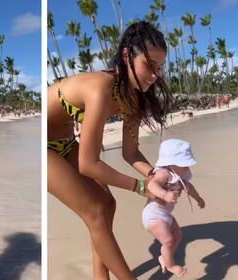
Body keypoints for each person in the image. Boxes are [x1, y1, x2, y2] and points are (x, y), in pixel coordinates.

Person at [48, 21, 174, 280]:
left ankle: (100, 277)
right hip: (43, 145)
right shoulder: (101, 89)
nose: (155, 75)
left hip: (66, 143)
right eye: (149, 65)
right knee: (95, 210)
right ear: (127, 56)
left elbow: (131, 153)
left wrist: (157, 175)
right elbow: (89, 164)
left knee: (107, 204)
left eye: (159, 67)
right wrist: (141, 187)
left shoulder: (134, 97)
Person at [142, 139, 205, 277]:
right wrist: (165, 194)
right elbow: (152, 185)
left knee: (177, 235)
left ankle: (164, 257)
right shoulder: (164, 173)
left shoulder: (180, 175)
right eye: (184, 164)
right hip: (153, 214)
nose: (187, 168)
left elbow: (189, 188)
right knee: (168, 240)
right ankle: (170, 265)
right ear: (170, 162)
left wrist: (198, 198)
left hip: (165, 214)